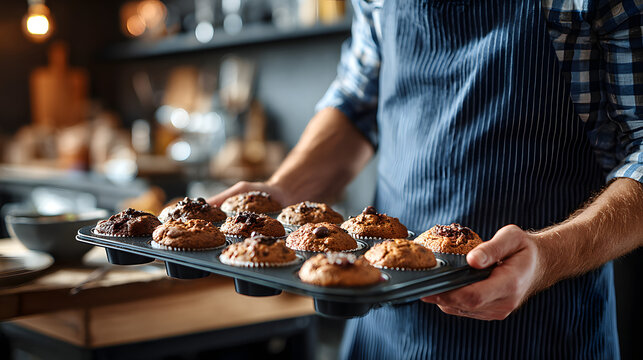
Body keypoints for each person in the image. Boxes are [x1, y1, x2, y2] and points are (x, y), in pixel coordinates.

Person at [209, 0, 643, 358]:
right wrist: (285, 191)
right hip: (385, 319)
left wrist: (548, 256)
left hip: (544, 321)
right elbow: (359, 101)